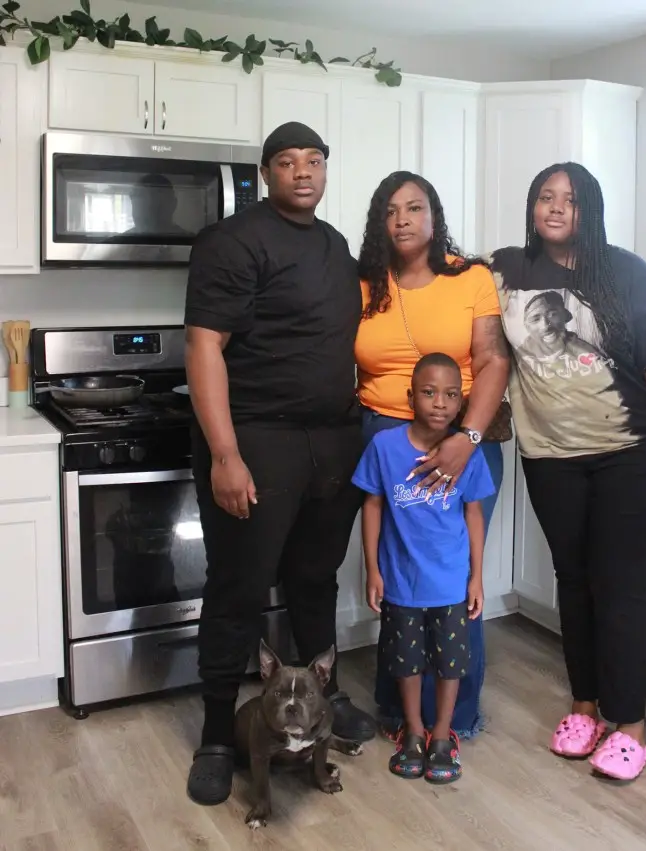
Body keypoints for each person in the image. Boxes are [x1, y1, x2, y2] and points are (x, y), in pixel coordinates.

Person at [487, 161, 646, 781]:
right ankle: (585, 707)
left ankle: (630, 726)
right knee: (575, 580)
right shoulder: (504, 270)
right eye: (545, 197)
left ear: (590, 210)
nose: (557, 208)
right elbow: (474, 333)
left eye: (571, 200)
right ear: (532, 208)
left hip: (631, 453)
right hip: (550, 457)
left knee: (619, 587)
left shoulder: (623, 272)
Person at [183, 121, 376, 807]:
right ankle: (214, 733)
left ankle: (323, 703)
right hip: (258, 438)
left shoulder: (335, 246)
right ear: (267, 173)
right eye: (288, 162)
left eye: (315, 160)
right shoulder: (232, 241)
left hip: (332, 438)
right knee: (239, 586)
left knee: (314, 577)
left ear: (326, 170)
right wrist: (226, 454)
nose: (303, 172)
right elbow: (204, 346)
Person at [355, 170, 510, 739]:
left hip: (459, 437)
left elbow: (493, 360)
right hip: (384, 442)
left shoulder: (470, 278)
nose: (402, 219)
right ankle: (400, 714)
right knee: (396, 581)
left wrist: (464, 439)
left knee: (452, 580)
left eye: (414, 208)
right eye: (390, 209)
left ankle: (455, 720)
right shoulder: (366, 284)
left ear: (434, 216)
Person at [352, 353, 496, 783]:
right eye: (430, 393)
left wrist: (476, 576)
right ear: (410, 395)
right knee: (405, 662)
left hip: (451, 585)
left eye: (452, 395)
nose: (440, 404)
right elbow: (372, 505)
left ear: (461, 401)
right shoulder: (385, 447)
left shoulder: (465, 454)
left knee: (452, 663)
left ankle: (440, 736)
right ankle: (412, 731)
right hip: (401, 584)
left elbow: (474, 514)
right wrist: (372, 570)